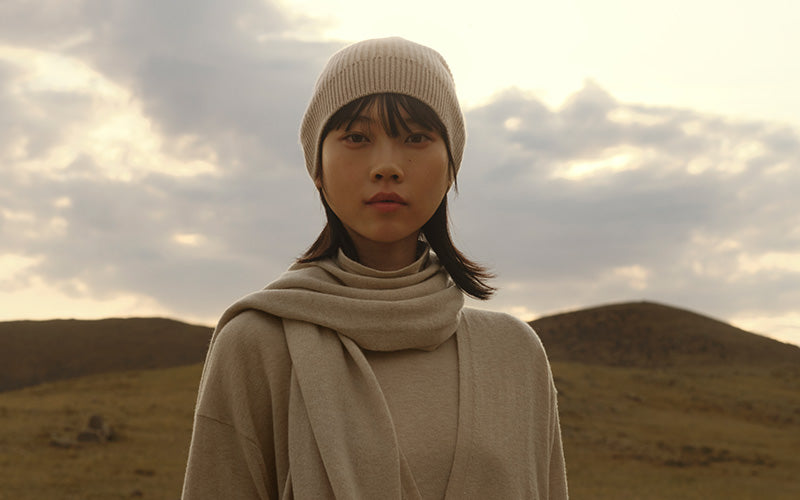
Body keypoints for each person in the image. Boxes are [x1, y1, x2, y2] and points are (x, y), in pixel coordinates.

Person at [182, 37, 568, 499]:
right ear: (317, 168)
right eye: (357, 137)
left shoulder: (515, 356)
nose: (386, 166)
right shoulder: (257, 344)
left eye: (416, 137)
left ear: (451, 168)